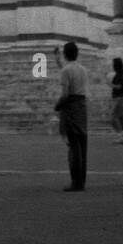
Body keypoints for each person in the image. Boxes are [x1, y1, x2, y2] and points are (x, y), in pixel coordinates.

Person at [55, 41, 88, 192]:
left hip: (71, 108)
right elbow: (67, 70)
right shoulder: (82, 69)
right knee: (82, 144)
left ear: (65, 54)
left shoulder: (66, 71)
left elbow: (65, 94)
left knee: (73, 146)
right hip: (82, 107)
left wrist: (58, 105)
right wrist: (57, 58)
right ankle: (81, 180)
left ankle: (76, 182)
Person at [108, 56, 123, 143]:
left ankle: (121, 135)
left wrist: (110, 84)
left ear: (115, 65)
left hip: (119, 98)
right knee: (121, 118)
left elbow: (119, 87)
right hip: (122, 98)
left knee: (112, 118)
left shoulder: (118, 75)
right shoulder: (120, 74)